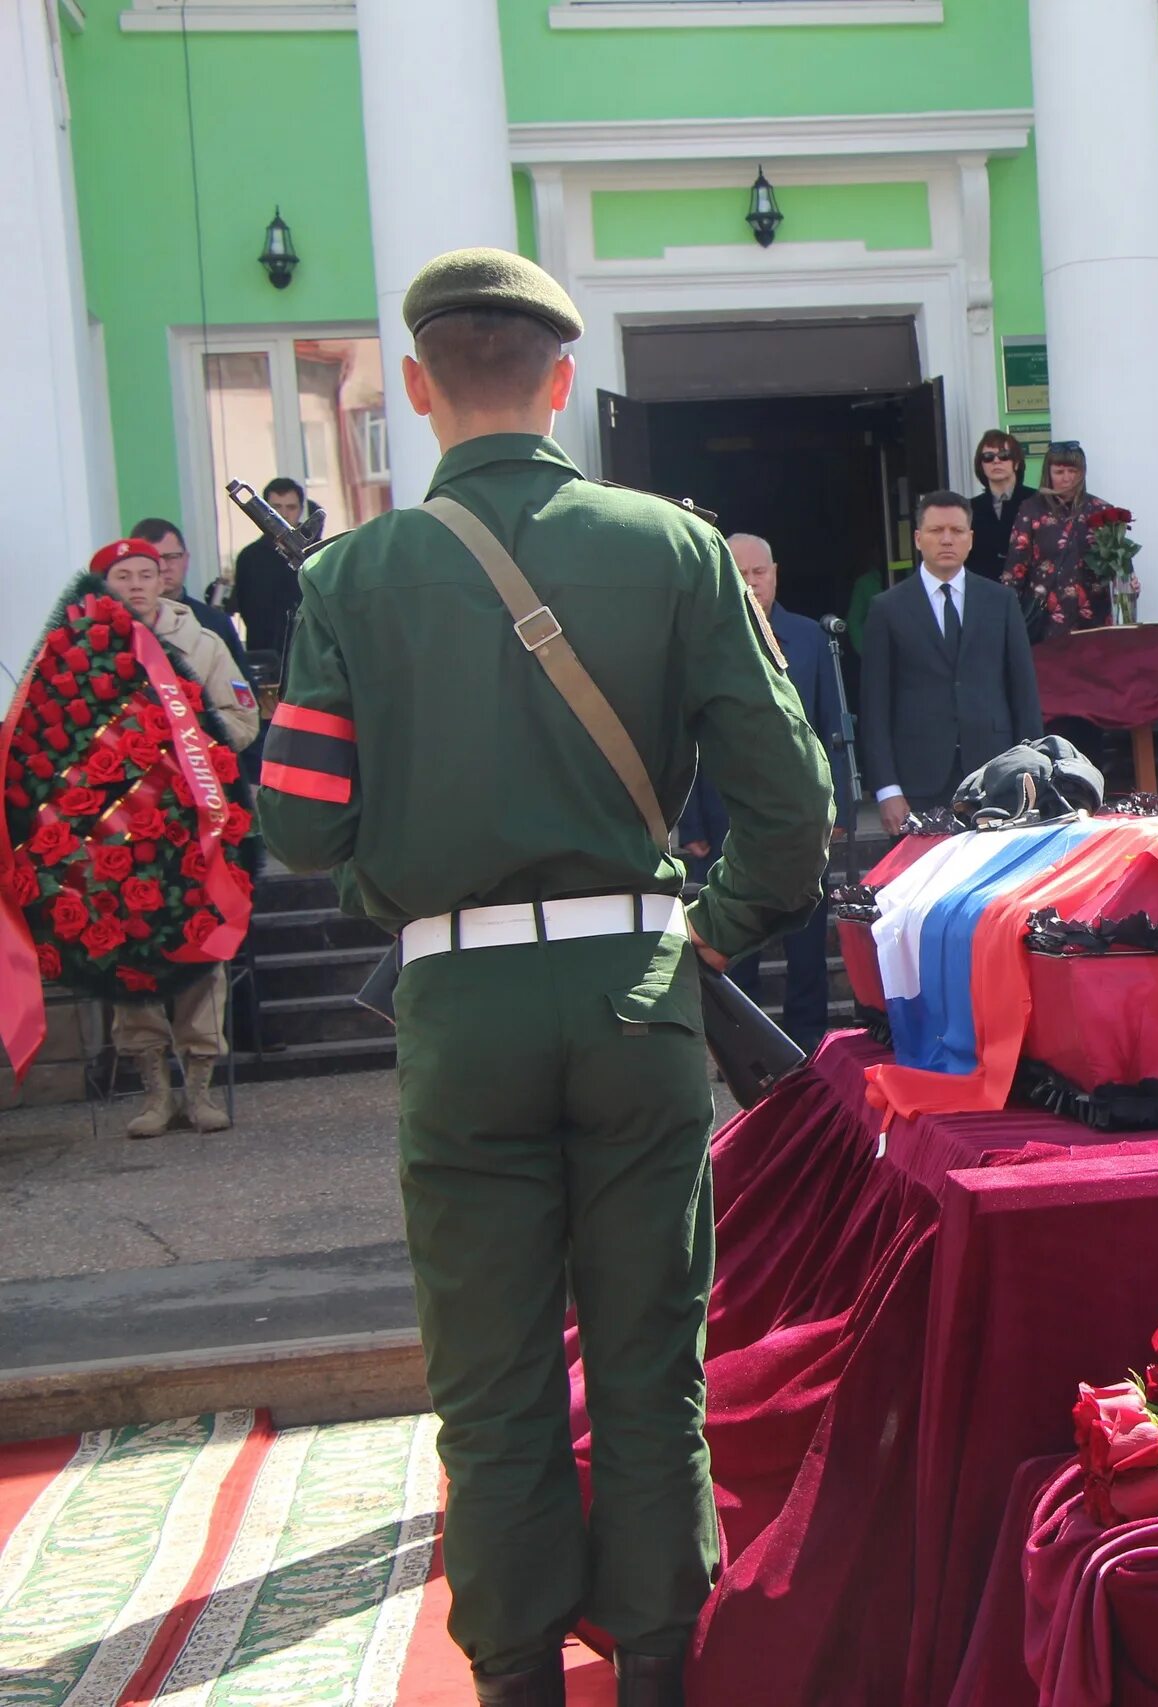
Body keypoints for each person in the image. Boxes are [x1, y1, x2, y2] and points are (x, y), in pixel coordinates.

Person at [256, 247, 834, 1707]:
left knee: (492, 1370)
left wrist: (407, 846)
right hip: (639, 990)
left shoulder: (349, 573)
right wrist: (715, 923)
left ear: (416, 387)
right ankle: (658, 1665)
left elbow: (301, 822)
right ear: (563, 383)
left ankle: (514, 1673)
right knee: (650, 1354)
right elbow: (791, 800)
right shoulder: (676, 545)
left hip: (458, 1007)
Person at [92, 537, 259, 1139]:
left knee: (198, 946)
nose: (136, 584)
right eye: (122, 576)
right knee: (128, 950)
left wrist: (184, 749)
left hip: (191, 825)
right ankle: (153, 1090)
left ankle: (199, 1088)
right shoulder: (84, 653)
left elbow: (243, 721)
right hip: (116, 832)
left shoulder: (203, 645)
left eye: (147, 572)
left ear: (165, 578)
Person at [677, 533, 855, 1051]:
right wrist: (691, 824)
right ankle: (737, 1045)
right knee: (733, 946)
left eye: (760, 573)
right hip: (724, 817)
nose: (752, 583)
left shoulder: (809, 639)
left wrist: (838, 805)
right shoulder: (700, 638)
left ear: (775, 573)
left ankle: (809, 1049)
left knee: (806, 946)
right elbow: (681, 738)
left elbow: (830, 728)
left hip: (801, 821)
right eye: (741, 574)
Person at [860, 489, 1044, 833]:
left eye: (957, 531)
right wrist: (887, 789)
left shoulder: (1000, 603)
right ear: (918, 538)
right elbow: (874, 708)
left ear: (970, 539)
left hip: (996, 774)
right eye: (936, 531)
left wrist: (1031, 774)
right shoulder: (887, 609)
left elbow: (1023, 695)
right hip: (918, 779)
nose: (947, 539)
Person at [1001, 440, 1114, 640]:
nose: (1067, 478)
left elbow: (1117, 564)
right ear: (1048, 474)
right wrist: (1007, 618)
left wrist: (1127, 581)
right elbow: (1015, 568)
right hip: (1047, 621)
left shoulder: (1101, 510)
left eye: (1073, 471)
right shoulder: (1032, 509)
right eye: (1059, 472)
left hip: (1093, 620)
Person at [130, 518, 253, 683]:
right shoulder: (116, 625)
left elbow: (243, 692)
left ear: (186, 558)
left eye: (171, 557)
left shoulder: (215, 623)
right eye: (154, 559)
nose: (164, 567)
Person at [229, 476, 315, 655]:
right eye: (276, 508)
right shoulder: (250, 557)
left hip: (312, 651)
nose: (284, 514)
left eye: (291, 507)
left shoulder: (318, 553)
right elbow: (248, 610)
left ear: (301, 510)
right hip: (267, 654)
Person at [967, 428, 1032, 582]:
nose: (996, 461)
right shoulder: (969, 508)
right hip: (985, 593)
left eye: (1004, 456)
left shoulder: (1037, 501)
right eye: (988, 457)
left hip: (1030, 596)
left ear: (1016, 463)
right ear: (981, 465)